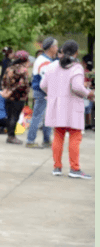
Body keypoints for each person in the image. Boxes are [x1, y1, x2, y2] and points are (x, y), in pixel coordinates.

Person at [41, 40, 95, 179]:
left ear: (62, 51)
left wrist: (53, 93)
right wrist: (89, 94)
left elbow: (43, 85)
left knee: (58, 135)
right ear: (76, 52)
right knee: (75, 137)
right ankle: (74, 169)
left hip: (57, 106)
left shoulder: (51, 66)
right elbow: (77, 87)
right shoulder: (76, 67)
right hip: (72, 107)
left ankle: (57, 167)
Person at [25, 37, 58, 149]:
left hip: (44, 92)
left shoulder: (45, 59)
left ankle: (46, 140)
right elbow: (46, 81)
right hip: (43, 92)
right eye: (56, 46)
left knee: (46, 117)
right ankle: (30, 140)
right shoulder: (44, 61)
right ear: (51, 47)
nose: (57, 48)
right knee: (38, 116)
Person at [1, 50, 31, 145]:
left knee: (9, 116)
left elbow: (3, 81)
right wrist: (13, 91)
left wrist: (7, 91)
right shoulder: (23, 70)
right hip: (18, 97)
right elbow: (23, 85)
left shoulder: (9, 68)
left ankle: (9, 135)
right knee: (15, 116)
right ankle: (11, 136)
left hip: (8, 96)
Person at [82, 54, 94, 130]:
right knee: (88, 108)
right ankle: (89, 124)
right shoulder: (92, 72)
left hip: (85, 90)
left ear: (84, 63)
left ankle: (85, 124)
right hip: (91, 90)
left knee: (85, 108)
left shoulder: (83, 72)